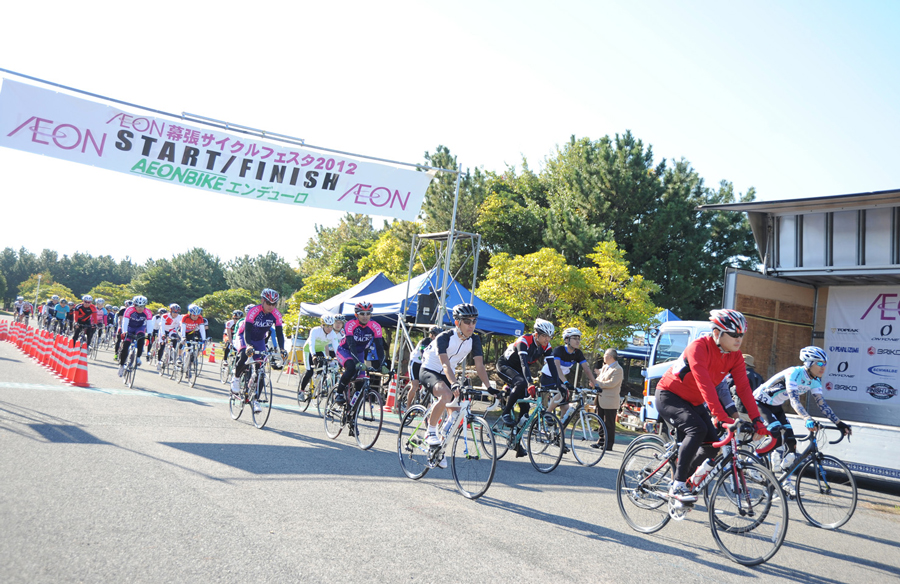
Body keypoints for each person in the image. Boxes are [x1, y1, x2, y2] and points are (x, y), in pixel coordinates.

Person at [655, 309, 770, 506]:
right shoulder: (698, 348)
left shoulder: (735, 356)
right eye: (734, 334)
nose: (738, 339)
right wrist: (723, 418)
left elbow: (743, 390)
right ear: (717, 333)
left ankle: (682, 482)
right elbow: (705, 386)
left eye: (741, 335)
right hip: (670, 395)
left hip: (694, 401)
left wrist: (758, 420)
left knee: (711, 446)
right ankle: (678, 485)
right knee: (696, 430)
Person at [754, 346, 851, 482]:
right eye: (820, 363)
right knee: (776, 435)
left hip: (775, 406)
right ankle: (751, 463)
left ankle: (783, 480)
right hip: (760, 403)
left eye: (825, 363)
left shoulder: (815, 380)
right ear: (809, 363)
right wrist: (806, 418)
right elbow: (794, 400)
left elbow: (822, 404)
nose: (823, 367)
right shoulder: (794, 373)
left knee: (791, 443)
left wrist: (839, 423)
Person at [419, 304, 495, 468]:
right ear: (457, 322)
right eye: (467, 321)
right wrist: (453, 384)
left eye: (474, 321)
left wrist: (489, 388)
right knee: (446, 395)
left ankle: (439, 447)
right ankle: (430, 431)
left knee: (456, 413)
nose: (471, 325)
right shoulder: (444, 337)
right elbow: (445, 364)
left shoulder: (474, 339)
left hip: (449, 374)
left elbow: (480, 366)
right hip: (430, 370)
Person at [230, 289, 287, 414]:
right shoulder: (254, 311)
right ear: (262, 301)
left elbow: (279, 333)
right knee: (245, 354)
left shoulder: (276, 314)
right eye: (268, 303)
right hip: (244, 336)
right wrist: (249, 345)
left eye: (274, 304)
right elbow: (247, 331)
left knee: (260, 370)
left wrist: (282, 349)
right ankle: (236, 377)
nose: (271, 306)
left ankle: (255, 399)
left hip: (260, 339)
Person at [496, 319, 558, 431]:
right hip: (504, 366)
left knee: (525, 410)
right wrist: (530, 383)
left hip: (519, 370)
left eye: (549, 336)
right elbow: (524, 364)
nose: (547, 339)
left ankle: (516, 442)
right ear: (536, 334)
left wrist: (560, 384)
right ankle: (505, 413)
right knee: (521, 383)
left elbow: (552, 366)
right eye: (544, 336)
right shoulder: (524, 341)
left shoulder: (546, 346)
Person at [544, 327, 597, 427]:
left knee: (566, 410)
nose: (578, 341)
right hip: (548, 377)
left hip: (561, 379)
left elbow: (587, 369)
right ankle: (547, 413)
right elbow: (557, 368)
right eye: (575, 338)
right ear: (567, 340)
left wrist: (596, 384)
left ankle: (560, 438)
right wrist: (566, 383)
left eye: (579, 338)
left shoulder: (578, 353)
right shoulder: (559, 350)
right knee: (561, 391)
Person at [333, 302, 385, 405]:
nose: (365, 316)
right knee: (351, 367)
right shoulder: (350, 324)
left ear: (371, 314)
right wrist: (357, 362)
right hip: (345, 350)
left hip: (360, 352)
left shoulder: (375, 326)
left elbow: (379, 347)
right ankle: (338, 393)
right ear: (356, 314)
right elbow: (351, 345)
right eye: (362, 313)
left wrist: (382, 364)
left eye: (368, 313)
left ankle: (352, 409)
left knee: (361, 381)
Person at [299, 313, 339, 399]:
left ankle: (319, 384)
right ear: (322, 325)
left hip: (320, 350)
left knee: (324, 369)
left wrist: (339, 357)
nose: (329, 329)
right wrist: (313, 355)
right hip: (308, 350)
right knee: (309, 371)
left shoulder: (333, 334)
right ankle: (301, 391)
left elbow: (336, 347)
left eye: (331, 326)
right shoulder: (315, 330)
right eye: (327, 326)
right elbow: (311, 344)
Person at [404, 325, 443, 412]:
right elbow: (423, 353)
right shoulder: (425, 341)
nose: (438, 337)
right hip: (416, 363)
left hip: (426, 365)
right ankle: (407, 407)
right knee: (415, 386)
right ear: (431, 335)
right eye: (436, 335)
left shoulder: (440, 343)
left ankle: (424, 399)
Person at [594, 348, 623, 451]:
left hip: (610, 400)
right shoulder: (605, 367)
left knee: (609, 423)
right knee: (600, 420)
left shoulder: (617, 369)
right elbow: (600, 378)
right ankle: (601, 441)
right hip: (600, 398)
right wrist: (594, 382)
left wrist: (598, 384)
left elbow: (612, 383)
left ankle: (608, 444)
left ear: (610, 357)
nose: (603, 357)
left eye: (605, 355)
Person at [118, 296, 153, 377]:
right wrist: (124, 332)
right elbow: (125, 321)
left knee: (141, 338)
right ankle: (121, 366)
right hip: (130, 327)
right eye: (138, 306)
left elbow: (149, 323)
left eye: (142, 306)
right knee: (125, 346)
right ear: (134, 305)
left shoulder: (147, 312)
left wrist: (150, 333)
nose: (140, 308)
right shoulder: (129, 309)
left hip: (140, 327)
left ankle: (138, 357)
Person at [177, 304, 207, 373]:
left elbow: (202, 330)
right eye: (194, 315)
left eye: (197, 315)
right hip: (182, 331)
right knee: (182, 342)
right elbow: (183, 328)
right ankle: (179, 357)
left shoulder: (200, 318)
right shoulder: (185, 317)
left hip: (190, 333)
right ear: (190, 313)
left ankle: (188, 366)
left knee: (192, 348)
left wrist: (204, 339)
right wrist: (183, 337)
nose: (195, 317)